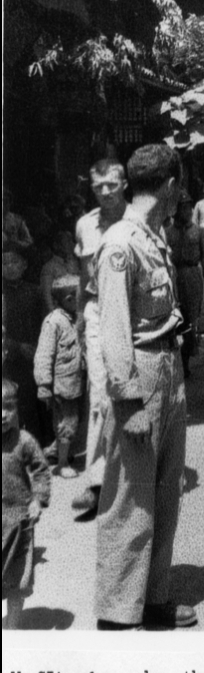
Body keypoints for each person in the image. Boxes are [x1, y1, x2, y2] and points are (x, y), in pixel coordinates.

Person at [94, 143, 195, 630]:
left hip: (167, 366)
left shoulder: (154, 235)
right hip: (140, 373)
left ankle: (154, 597)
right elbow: (113, 329)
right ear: (171, 186)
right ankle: (117, 612)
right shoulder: (120, 244)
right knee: (131, 495)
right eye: (181, 187)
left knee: (165, 489)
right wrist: (128, 399)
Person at [72, 158, 130, 516]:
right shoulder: (85, 225)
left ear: (124, 183)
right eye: (98, 186)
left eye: (112, 184)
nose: (106, 191)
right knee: (99, 394)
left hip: (132, 311)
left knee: (131, 388)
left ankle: (133, 473)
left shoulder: (139, 220)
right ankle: (96, 482)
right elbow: (83, 277)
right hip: (97, 310)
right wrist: (80, 319)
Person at [2, 378, 51, 628]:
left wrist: (38, 500)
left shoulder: (24, 441)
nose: (3, 415)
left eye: (8, 407)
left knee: (18, 580)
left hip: (20, 522)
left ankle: (12, 629)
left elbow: (41, 471)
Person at [33, 275, 84, 478]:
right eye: (73, 298)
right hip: (62, 385)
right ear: (63, 299)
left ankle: (55, 452)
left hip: (75, 382)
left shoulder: (75, 318)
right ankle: (61, 464)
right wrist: (43, 385)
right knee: (67, 422)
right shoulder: (54, 321)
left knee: (72, 421)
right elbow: (44, 354)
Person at [166, 189, 204, 377]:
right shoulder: (167, 232)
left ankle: (186, 359)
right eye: (181, 208)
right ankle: (178, 358)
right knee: (175, 318)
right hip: (173, 276)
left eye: (188, 207)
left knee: (190, 319)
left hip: (193, 275)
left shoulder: (199, 232)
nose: (185, 212)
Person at [2, 245, 44, 441]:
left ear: (24, 265)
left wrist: (38, 347)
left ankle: (40, 444)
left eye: (14, 262)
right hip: (10, 359)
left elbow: (44, 322)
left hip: (36, 355)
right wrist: (17, 347)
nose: (9, 267)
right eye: (4, 263)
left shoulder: (34, 292)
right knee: (13, 402)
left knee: (38, 401)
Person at [39, 230, 79, 314]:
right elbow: (47, 297)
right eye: (67, 241)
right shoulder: (49, 268)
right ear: (56, 245)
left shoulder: (74, 263)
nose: (72, 244)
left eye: (72, 240)